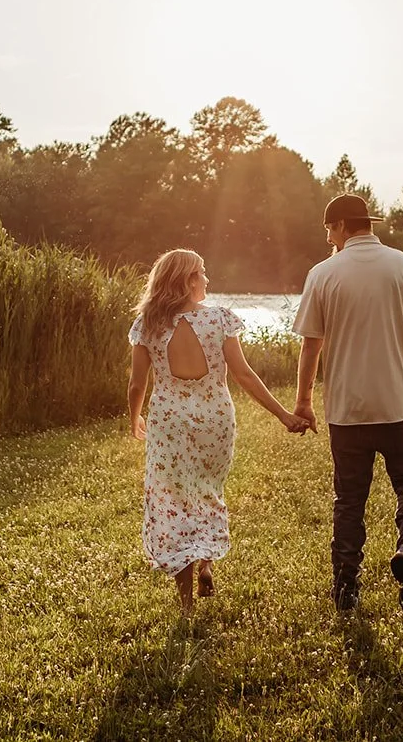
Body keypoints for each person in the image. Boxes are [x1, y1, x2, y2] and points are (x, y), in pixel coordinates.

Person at [127, 248, 312, 614]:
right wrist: (283, 415)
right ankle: (207, 563)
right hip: (215, 419)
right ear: (188, 280)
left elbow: (137, 384)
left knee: (176, 502)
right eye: (202, 273)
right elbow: (244, 375)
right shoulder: (220, 320)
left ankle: (185, 604)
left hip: (169, 423)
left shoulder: (147, 325)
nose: (207, 279)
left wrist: (134, 417)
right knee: (209, 490)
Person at [292, 194, 403, 618]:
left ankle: (346, 588)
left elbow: (311, 346)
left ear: (342, 226)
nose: (328, 237)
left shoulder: (323, 274)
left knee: (350, 500)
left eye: (329, 229)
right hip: (401, 405)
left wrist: (304, 401)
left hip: (347, 411)